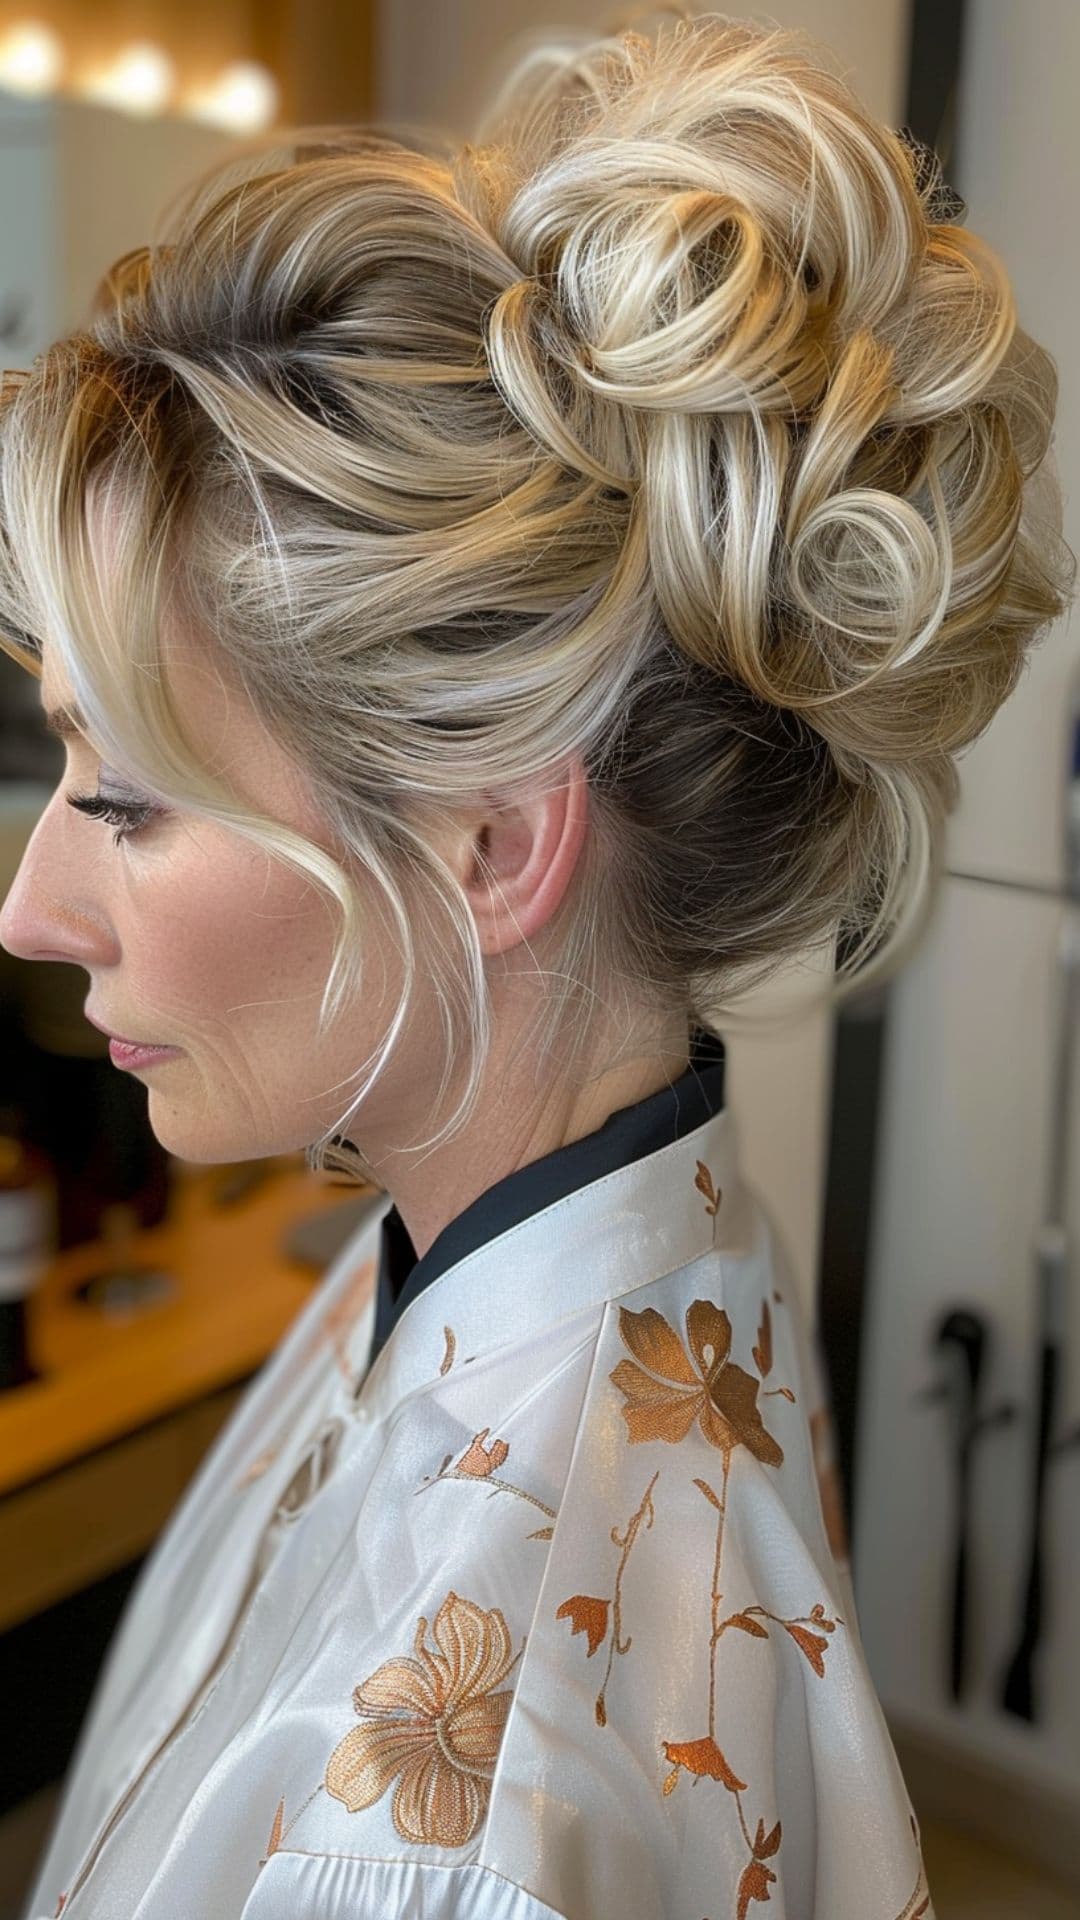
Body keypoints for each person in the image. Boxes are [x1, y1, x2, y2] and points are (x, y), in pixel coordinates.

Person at [0, 10, 1072, 1918]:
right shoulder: (654, 1253)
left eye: (133, 801)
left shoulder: (437, 1818)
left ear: (488, 844)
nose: (31, 904)